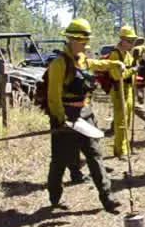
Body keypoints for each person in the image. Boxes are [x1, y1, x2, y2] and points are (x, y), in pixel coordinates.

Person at [44, 18, 125, 212]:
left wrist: (115, 64)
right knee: (60, 160)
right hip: (65, 114)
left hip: (85, 114)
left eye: (87, 40)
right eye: (82, 41)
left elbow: (98, 64)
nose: (86, 45)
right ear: (71, 40)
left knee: (94, 154)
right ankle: (54, 198)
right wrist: (62, 120)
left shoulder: (84, 60)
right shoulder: (59, 64)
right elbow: (53, 96)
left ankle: (108, 199)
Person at [105, 25, 144, 157]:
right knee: (120, 122)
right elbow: (117, 76)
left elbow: (131, 71)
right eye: (130, 40)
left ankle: (125, 148)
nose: (132, 43)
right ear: (122, 40)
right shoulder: (115, 55)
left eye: (133, 41)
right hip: (118, 92)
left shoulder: (128, 54)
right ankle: (119, 151)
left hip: (128, 91)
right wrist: (133, 70)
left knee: (127, 121)